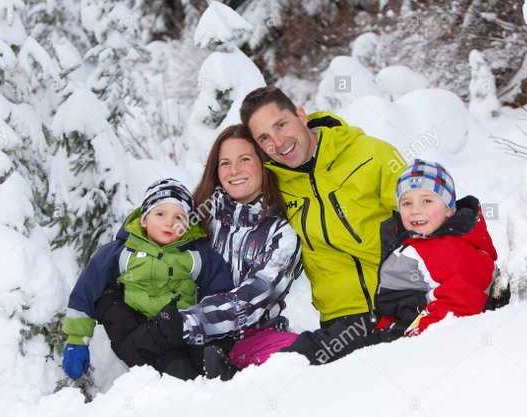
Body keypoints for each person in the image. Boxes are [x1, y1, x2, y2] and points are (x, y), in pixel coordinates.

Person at [70, 125, 303, 381]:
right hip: (175, 340)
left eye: (245, 159)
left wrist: (182, 322)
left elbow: (256, 295)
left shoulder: (280, 234)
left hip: (244, 337)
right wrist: (112, 309)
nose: (234, 170)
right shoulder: (197, 220)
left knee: (301, 361)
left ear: (263, 163)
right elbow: (110, 271)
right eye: (225, 162)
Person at [240, 85, 406, 364]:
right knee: (297, 366)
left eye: (281, 125)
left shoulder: (372, 154)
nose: (278, 143)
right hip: (342, 319)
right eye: (265, 138)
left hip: (401, 302)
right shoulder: (274, 185)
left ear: (301, 116)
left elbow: (428, 219)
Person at [61, 178, 233, 381]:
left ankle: (219, 377)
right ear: (144, 219)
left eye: (179, 217)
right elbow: (87, 289)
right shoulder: (121, 252)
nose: (170, 222)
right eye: (160, 214)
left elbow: (219, 290)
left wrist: (213, 331)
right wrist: (77, 339)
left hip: (183, 327)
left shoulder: (197, 255)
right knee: (177, 369)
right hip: (141, 327)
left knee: (205, 358)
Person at [369, 159, 498, 342]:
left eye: (427, 201)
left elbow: (457, 307)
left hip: (412, 337)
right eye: (407, 203)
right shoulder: (421, 240)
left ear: (448, 209)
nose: (415, 210)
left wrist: (412, 337)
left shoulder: (449, 249)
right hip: (390, 325)